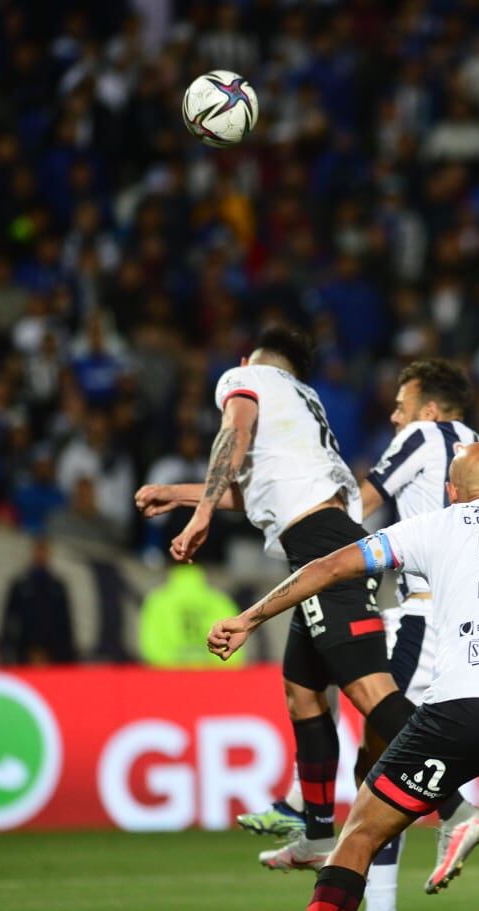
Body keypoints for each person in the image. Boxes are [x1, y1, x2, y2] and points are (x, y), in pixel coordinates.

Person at [203, 443, 479, 911]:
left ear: (451, 492)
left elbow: (331, 566)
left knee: (359, 834)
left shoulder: (434, 526)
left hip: (459, 710)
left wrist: (250, 618)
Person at [134, 325, 407, 873]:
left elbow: (231, 435)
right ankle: (317, 836)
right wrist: (182, 493)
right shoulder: (305, 403)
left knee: (370, 693)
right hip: (329, 538)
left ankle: (458, 800)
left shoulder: (245, 379)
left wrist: (201, 513)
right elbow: (258, 492)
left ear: (247, 362)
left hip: (320, 549)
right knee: (302, 693)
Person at [235, 358, 479, 911]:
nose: (395, 417)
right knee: (375, 764)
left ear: (426, 409)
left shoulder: (423, 435)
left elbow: (360, 501)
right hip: (477, 626)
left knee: (379, 733)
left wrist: (303, 519)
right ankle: (365, 869)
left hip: (426, 615)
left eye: (401, 407)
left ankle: (448, 813)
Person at [137, 565, 241, 668]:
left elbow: (151, 649)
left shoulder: (157, 601)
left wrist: (175, 664)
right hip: (212, 677)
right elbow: (233, 651)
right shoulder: (220, 601)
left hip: (170, 678)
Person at [0, 537, 76, 665]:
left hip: (53, 653)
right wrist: (5, 650)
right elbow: (9, 620)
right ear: (32, 552)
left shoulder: (58, 587)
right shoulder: (20, 585)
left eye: (44, 551)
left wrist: (69, 656)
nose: (41, 554)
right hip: (24, 650)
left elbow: (65, 624)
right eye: (38, 550)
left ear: (50, 554)